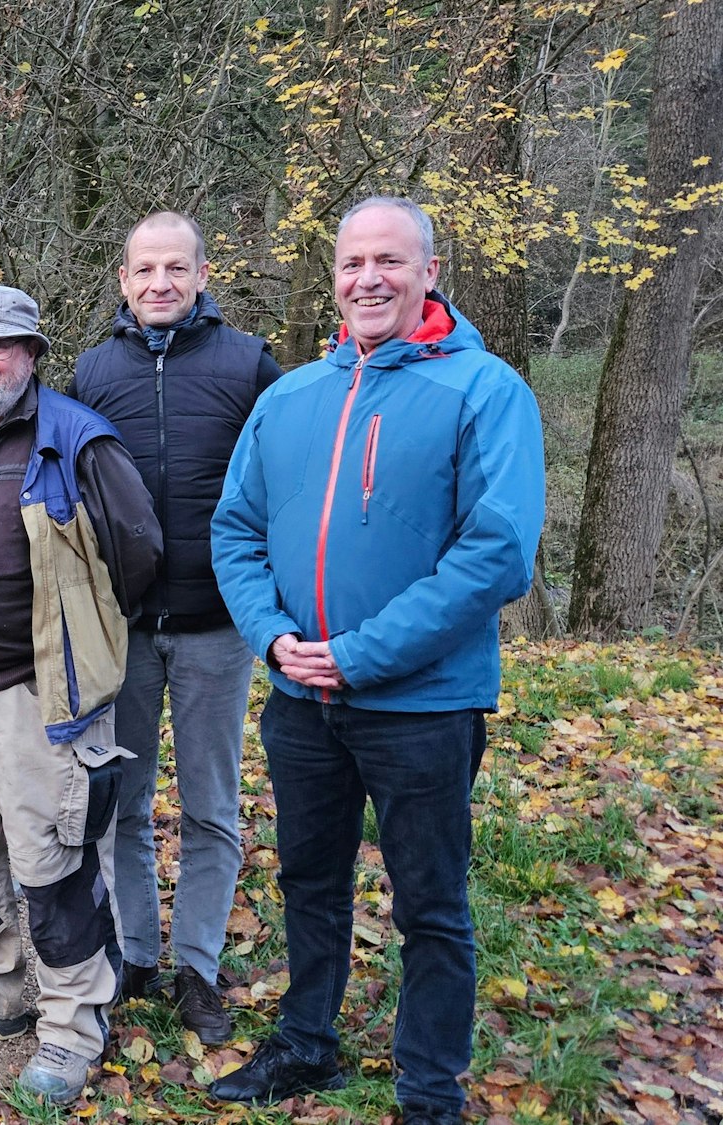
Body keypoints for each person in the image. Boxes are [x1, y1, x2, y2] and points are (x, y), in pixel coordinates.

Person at [209, 197, 544, 1124]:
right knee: (308, 880)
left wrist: (359, 654)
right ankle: (307, 1041)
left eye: (389, 261)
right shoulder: (289, 398)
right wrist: (273, 636)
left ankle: (429, 1090)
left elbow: (498, 551)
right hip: (298, 698)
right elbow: (235, 528)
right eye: (353, 261)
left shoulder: (483, 390)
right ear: (335, 277)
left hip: (424, 705)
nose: (369, 278)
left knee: (431, 904)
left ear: (429, 271)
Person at [0, 285, 162, 1105]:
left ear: (32, 356)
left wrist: (83, 646)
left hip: (37, 693)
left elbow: (141, 552)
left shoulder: (76, 441)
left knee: (51, 868)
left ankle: (72, 1026)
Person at [68, 211, 282, 1044]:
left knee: (210, 805)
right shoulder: (93, 371)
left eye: (176, 268)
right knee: (119, 797)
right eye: (144, 269)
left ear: (201, 275)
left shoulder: (248, 364)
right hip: (120, 627)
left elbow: (286, 484)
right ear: (123, 280)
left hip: (216, 626)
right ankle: (133, 954)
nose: (160, 282)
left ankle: (196, 965)